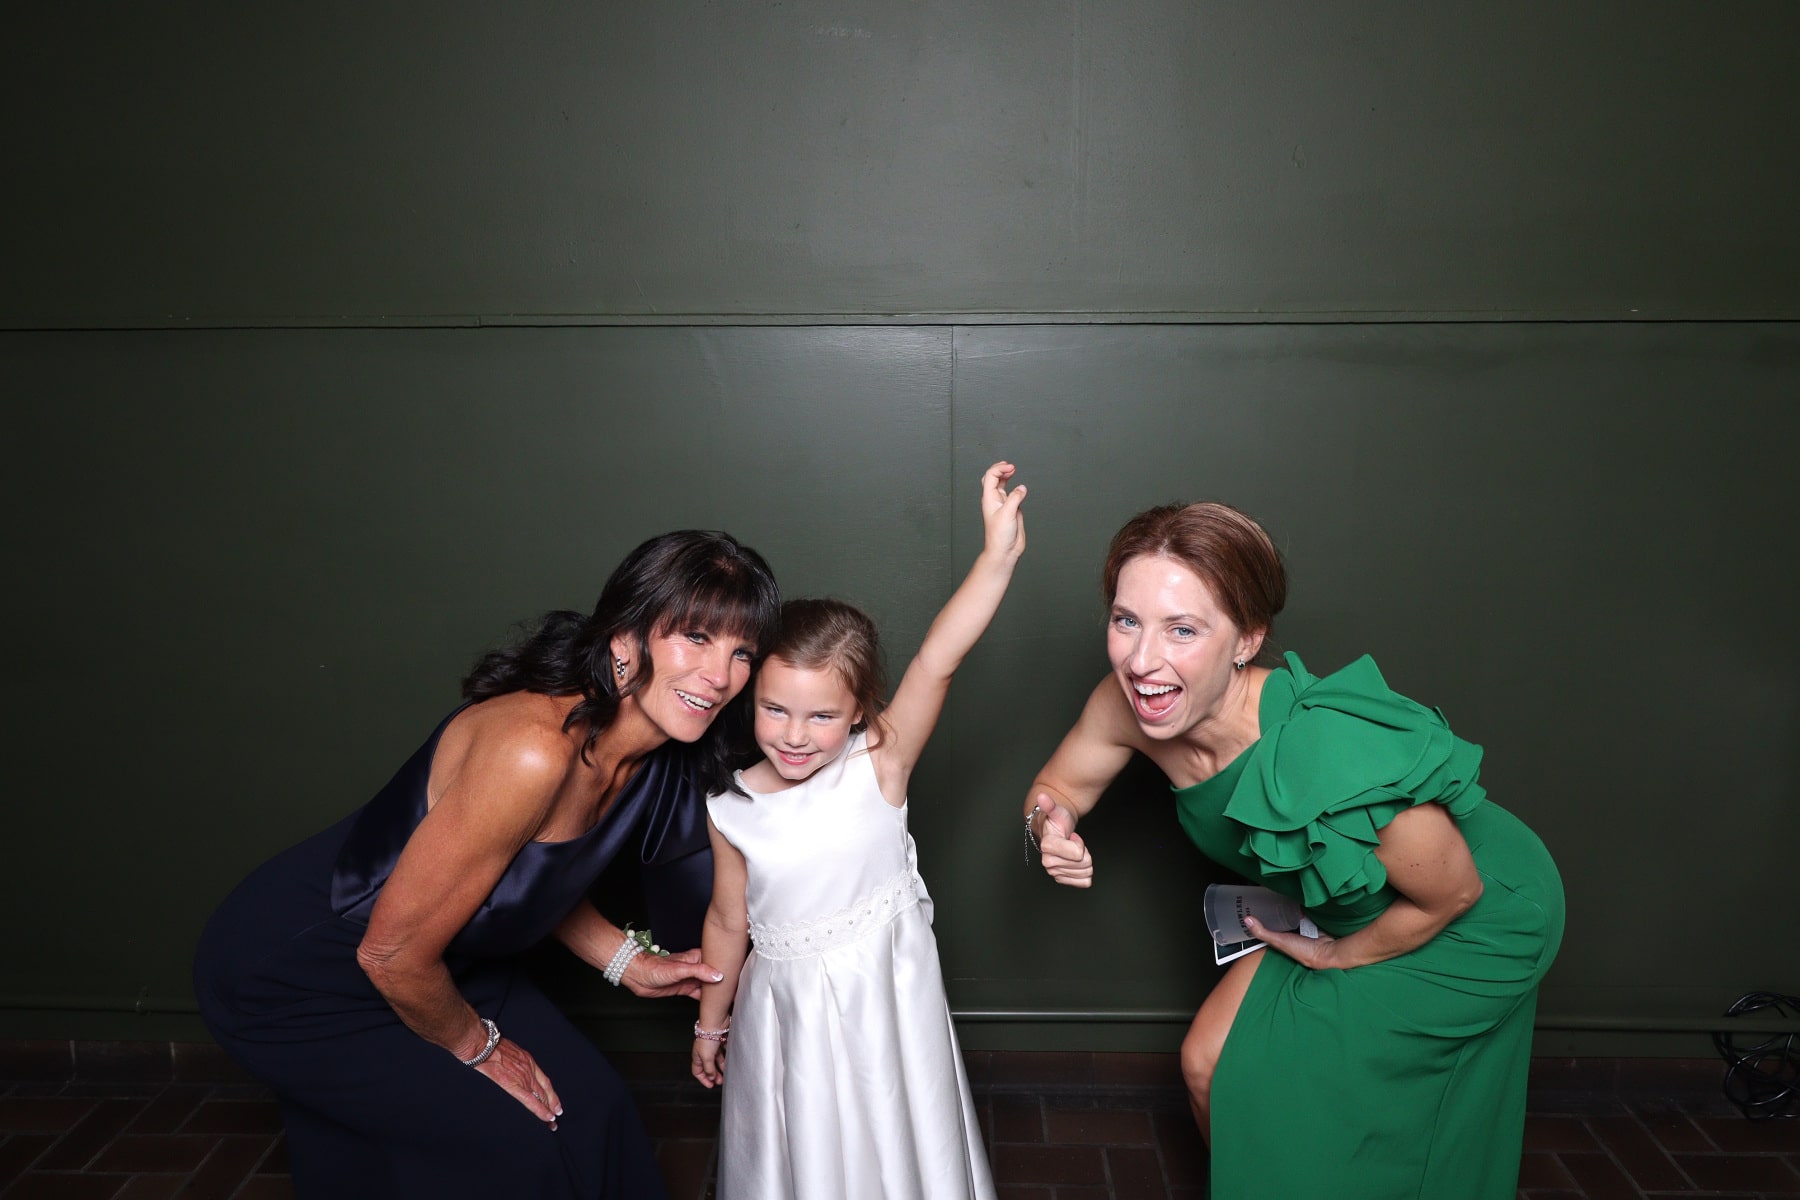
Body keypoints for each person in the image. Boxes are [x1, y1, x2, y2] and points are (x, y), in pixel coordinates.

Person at [193, 530, 780, 1199]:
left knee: (597, 1114)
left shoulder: (652, 752)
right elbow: (389, 955)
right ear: (625, 639)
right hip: (304, 975)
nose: (720, 675)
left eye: (741, 652)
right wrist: (483, 1049)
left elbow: (529, 875)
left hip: (446, 961)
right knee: (524, 1149)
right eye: (696, 638)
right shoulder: (532, 750)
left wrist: (628, 962)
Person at [1025, 501, 1564, 1200]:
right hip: (1362, 906)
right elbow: (1058, 787)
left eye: (1182, 629)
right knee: (1208, 1064)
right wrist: (1051, 827)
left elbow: (1455, 890)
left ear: (1247, 640)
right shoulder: (1126, 703)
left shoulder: (1319, 747)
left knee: (1308, 1100)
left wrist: (1338, 955)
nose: (1141, 660)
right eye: (1127, 621)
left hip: (1479, 918)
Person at [689, 461, 1026, 1200]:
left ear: (859, 713)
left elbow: (939, 657)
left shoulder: (880, 764)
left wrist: (996, 558)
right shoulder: (732, 807)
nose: (795, 735)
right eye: (775, 710)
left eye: (822, 717)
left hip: (885, 998)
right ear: (751, 697)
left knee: (892, 1133)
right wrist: (711, 1025)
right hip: (788, 1015)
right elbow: (727, 920)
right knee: (809, 1148)